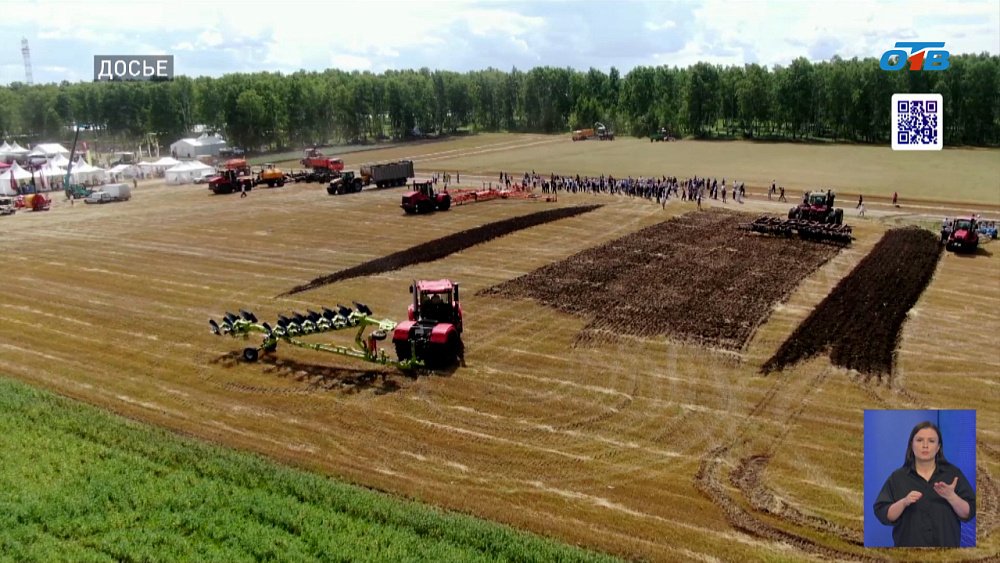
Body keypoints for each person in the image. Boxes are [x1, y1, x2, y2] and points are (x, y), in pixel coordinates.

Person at [873, 421, 976, 547]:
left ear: (938, 447)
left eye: (931, 441)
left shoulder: (953, 474)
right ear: (911, 444)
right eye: (920, 440)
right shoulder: (897, 478)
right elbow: (883, 513)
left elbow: (969, 512)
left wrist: (952, 497)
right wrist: (904, 502)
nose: (925, 445)